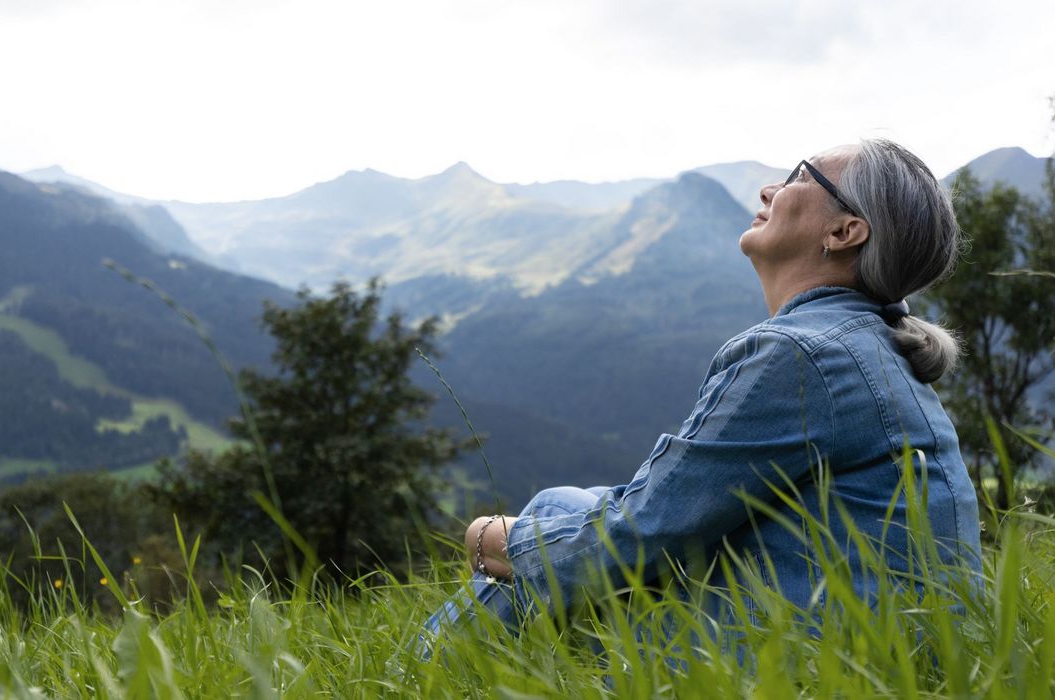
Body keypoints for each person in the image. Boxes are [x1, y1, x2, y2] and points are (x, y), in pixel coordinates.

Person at [421, 138, 983, 649]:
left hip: (817, 657)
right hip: (896, 641)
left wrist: (486, 540)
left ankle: (410, 678)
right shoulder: (870, 342)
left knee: (532, 550)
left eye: (799, 176)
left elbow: (643, 531)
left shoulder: (800, 354)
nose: (770, 189)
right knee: (561, 513)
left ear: (843, 233)